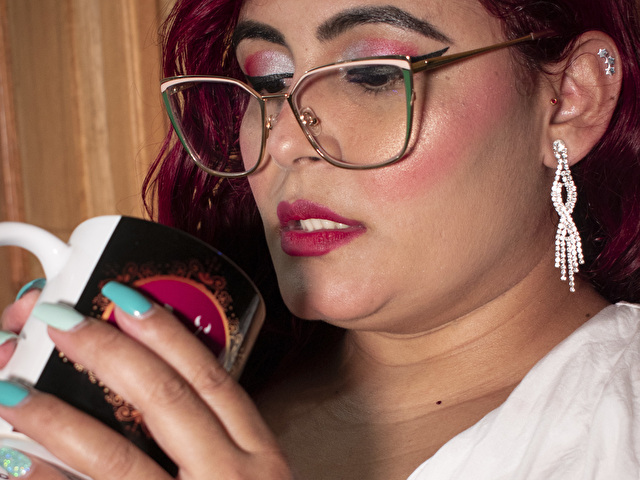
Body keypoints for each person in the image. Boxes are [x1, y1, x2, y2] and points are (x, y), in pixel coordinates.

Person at [0, 0, 639, 478]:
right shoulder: (162, 398)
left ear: (571, 98)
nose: (282, 140)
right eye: (268, 82)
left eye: (373, 74)